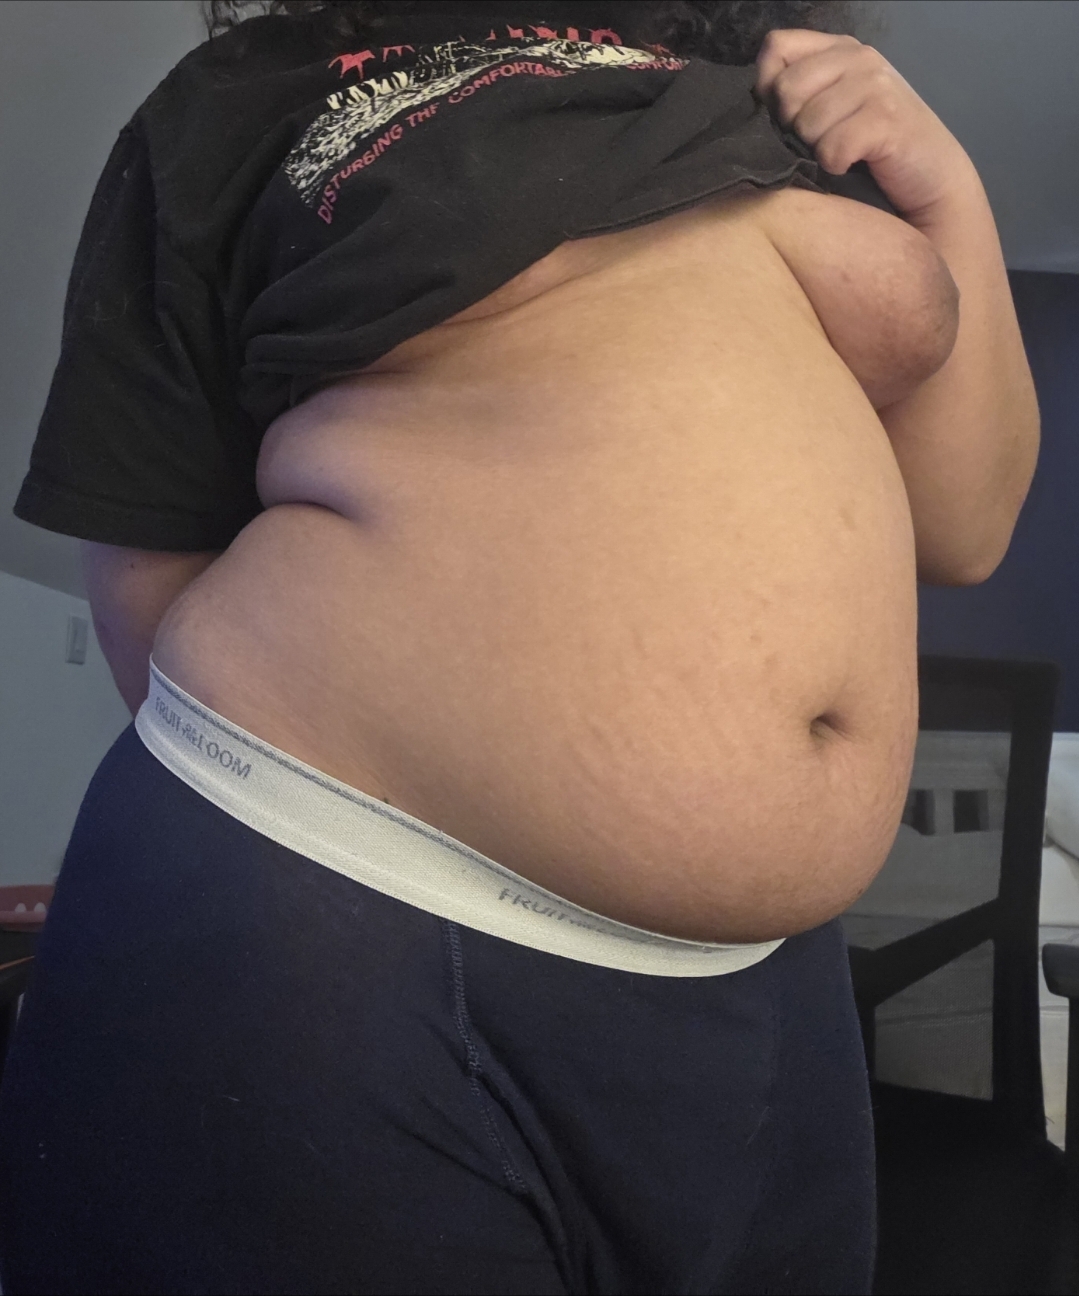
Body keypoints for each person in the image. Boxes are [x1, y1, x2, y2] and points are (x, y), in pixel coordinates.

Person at [0, 2, 1039, 1292]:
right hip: (339, 905)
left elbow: (966, 526)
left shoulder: (763, 97)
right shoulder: (250, 97)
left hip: (763, 989)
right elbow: (147, 544)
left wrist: (949, 191)